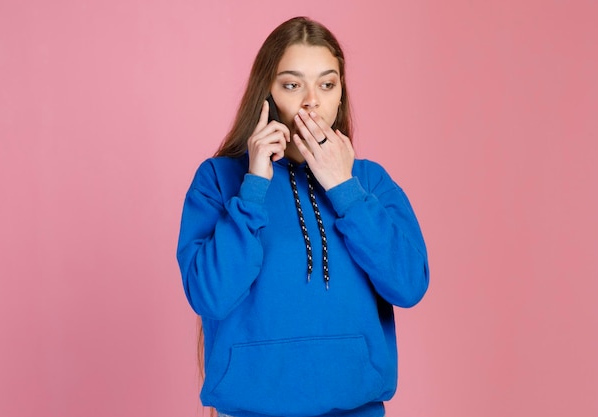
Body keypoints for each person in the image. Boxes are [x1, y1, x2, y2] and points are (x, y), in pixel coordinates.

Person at [177, 16, 429, 417]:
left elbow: (409, 284)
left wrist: (344, 189)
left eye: (327, 85)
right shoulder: (220, 179)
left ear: (340, 95)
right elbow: (209, 294)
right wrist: (255, 185)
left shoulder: (370, 182)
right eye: (293, 85)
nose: (312, 101)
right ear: (267, 93)